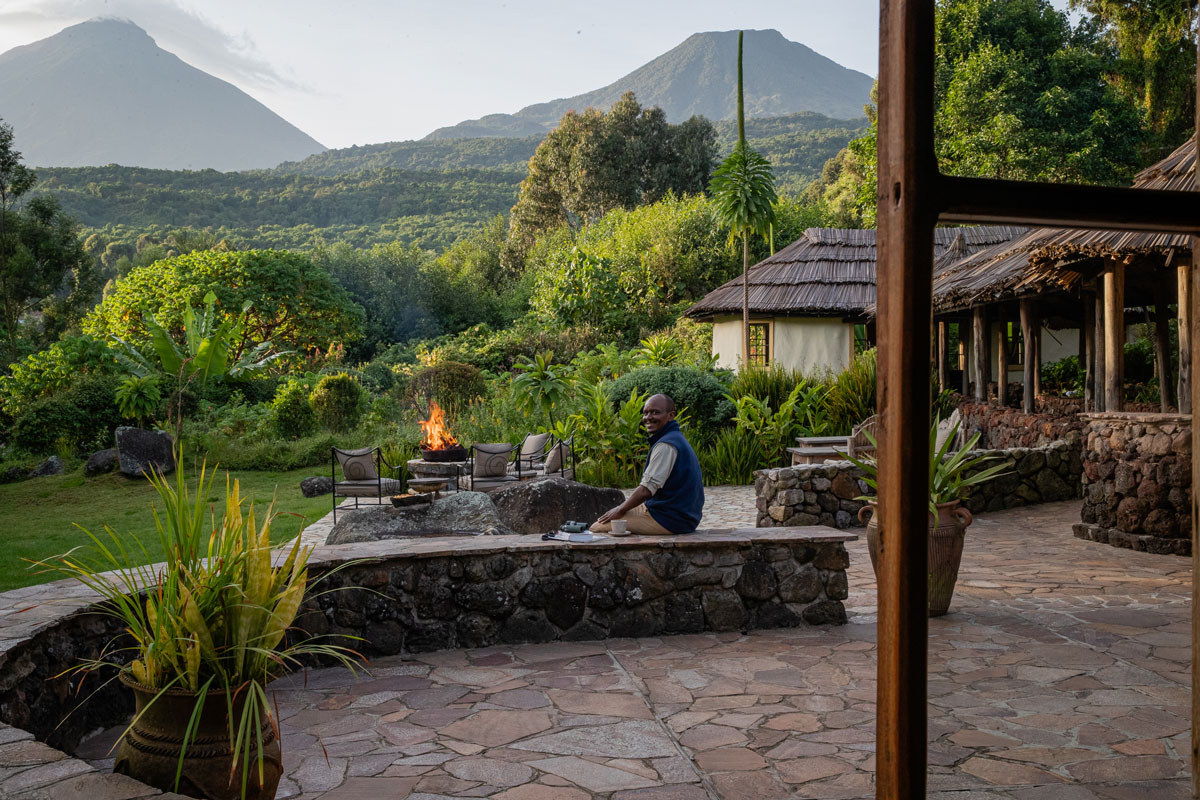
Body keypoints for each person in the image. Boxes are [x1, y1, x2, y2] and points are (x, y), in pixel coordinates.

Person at [591, 393, 704, 535]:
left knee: (597, 528)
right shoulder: (675, 438)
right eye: (645, 413)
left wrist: (620, 509)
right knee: (612, 519)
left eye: (655, 412)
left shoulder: (666, 445)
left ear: (671, 415)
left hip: (670, 520)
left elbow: (646, 490)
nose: (648, 417)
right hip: (679, 515)